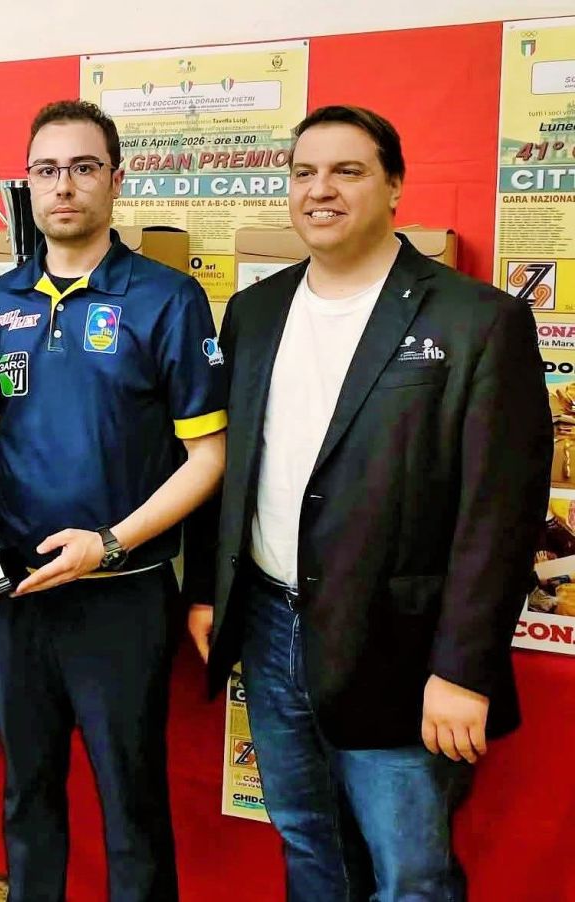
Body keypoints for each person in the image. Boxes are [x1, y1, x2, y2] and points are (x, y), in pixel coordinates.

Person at [189, 105, 551, 900]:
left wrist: (462, 669)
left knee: (408, 873)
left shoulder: (478, 320)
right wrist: (211, 592)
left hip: (402, 647)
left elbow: (499, 516)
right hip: (270, 627)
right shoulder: (255, 313)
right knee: (307, 840)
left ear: (394, 186)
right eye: (304, 172)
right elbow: (233, 467)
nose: (320, 190)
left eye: (347, 171)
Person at [0, 100, 227, 902]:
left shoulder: (167, 299)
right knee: (27, 791)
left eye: (84, 167)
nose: (64, 186)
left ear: (115, 180)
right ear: (27, 184)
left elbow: (209, 458)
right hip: (15, 591)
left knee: (131, 800)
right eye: (47, 169)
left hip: (120, 591)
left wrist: (112, 541)